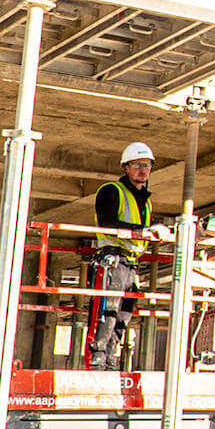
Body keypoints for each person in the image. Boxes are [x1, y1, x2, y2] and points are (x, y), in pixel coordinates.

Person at [88, 142, 170, 370]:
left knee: (123, 315)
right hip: (112, 260)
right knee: (109, 311)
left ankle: (111, 360)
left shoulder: (145, 200)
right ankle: (98, 359)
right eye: (137, 165)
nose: (143, 170)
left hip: (131, 263)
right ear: (126, 167)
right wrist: (143, 231)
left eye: (147, 165)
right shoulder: (111, 190)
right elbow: (107, 222)